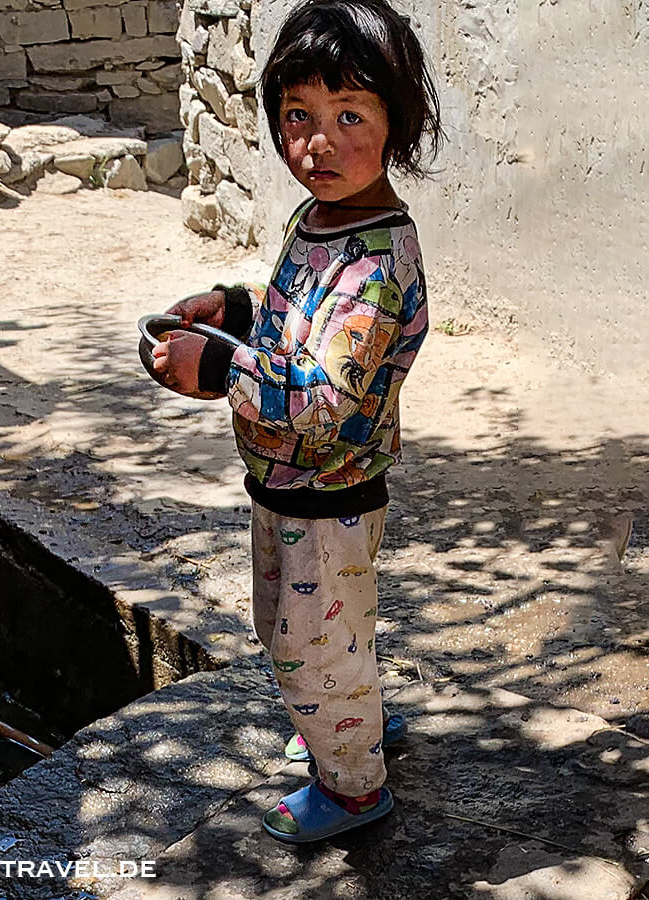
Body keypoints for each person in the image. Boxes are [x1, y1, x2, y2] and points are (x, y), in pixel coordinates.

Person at [150, 0, 440, 843]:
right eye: (297, 118)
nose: (319, 143)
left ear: (398, 124)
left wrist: (219, 368)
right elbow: (293, 315)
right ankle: (358, 724)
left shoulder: (378, 261)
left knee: (307, 644)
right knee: (326, 627)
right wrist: (236, 311)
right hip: (294, 490)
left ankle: (353, 788)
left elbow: (323, 398)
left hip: (327, 490)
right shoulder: (322, 221)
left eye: (350, 116)